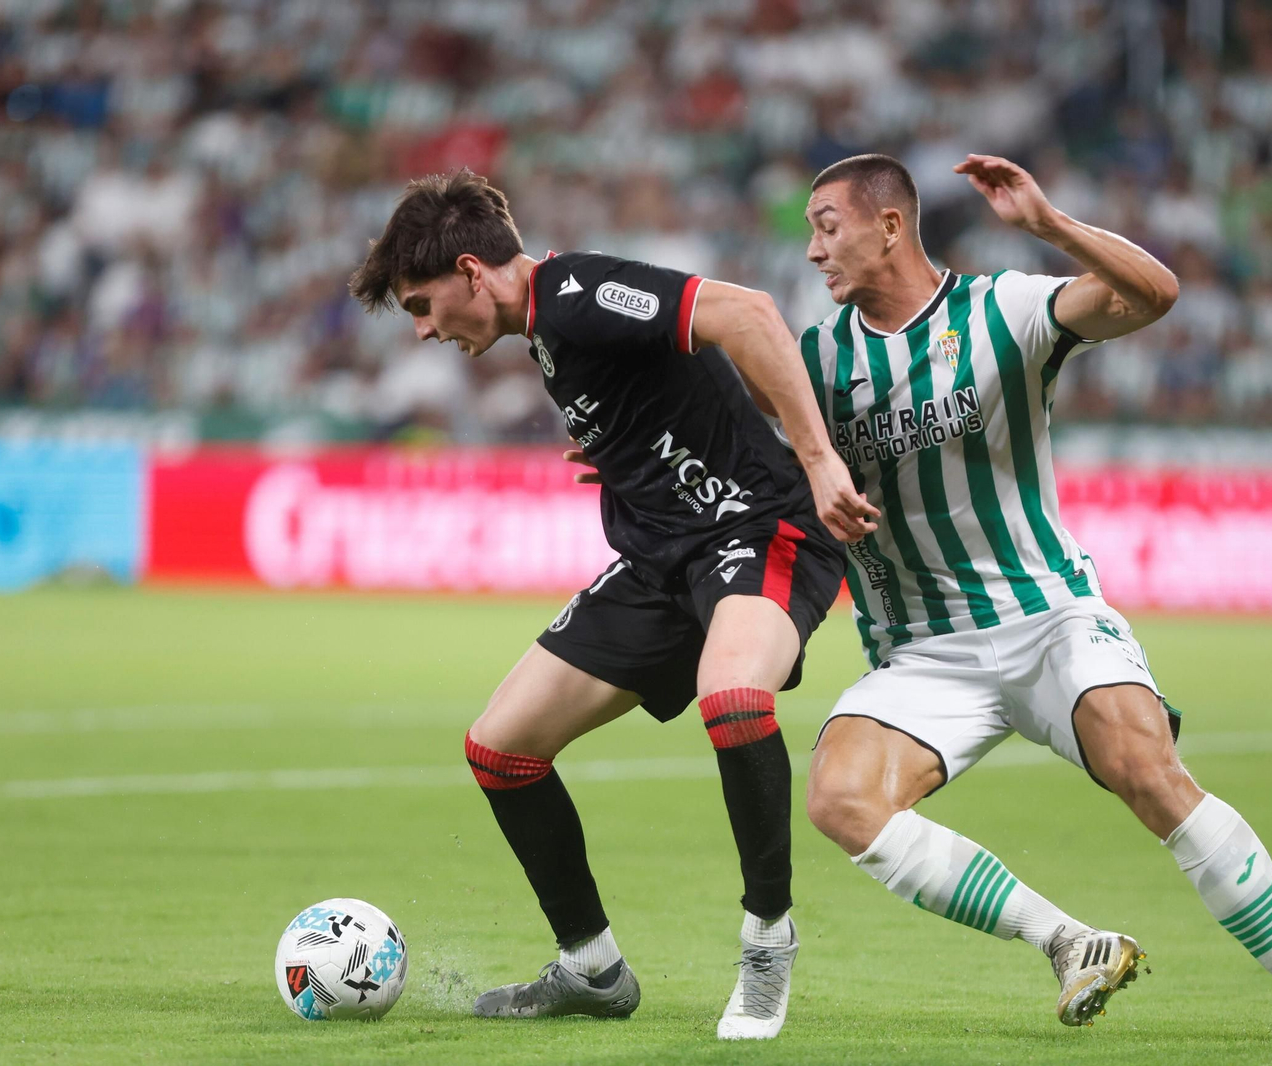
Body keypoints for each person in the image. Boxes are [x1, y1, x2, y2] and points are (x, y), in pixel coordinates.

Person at [794, 153, 1272, 1048]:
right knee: (840, 799)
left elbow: (1155, 295)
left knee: (1146, 769)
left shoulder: (1005, 308)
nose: (812, 250)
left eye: (826, 225)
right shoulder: (815, 359)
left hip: (1047, 616)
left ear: (889, 226)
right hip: (922, 653)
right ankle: (1068, 941)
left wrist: (1049, 224)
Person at [349, 169, 879, 1040]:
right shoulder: (547, 334)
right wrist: (624, 455)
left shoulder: (576, 293)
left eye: (422, 303)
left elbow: (746, 316)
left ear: (473, 272)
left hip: (758, 528)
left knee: (733, 696)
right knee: (501, 748)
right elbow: (665, 390)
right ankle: (590, 969)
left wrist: (820, 464)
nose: (423, 329)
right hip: (664, 557)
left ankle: (766, 944)